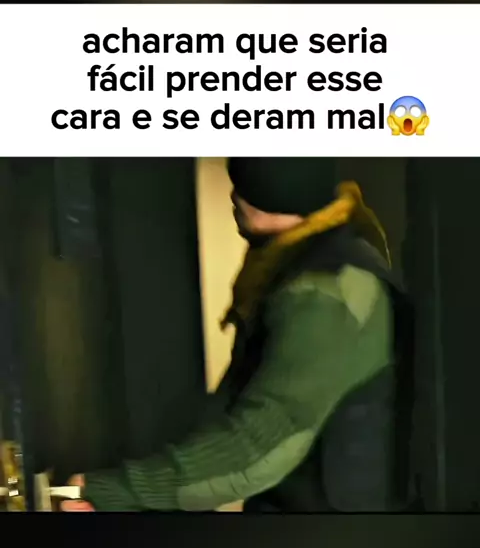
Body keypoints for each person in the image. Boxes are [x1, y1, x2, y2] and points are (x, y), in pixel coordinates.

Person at [62, 157, 414, 513]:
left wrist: (114, 492)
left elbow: (257, 445)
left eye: (241, 186)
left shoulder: (325, 294)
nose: (233, 197)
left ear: (266, 198)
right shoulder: (302, 263)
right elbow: (235, 413)